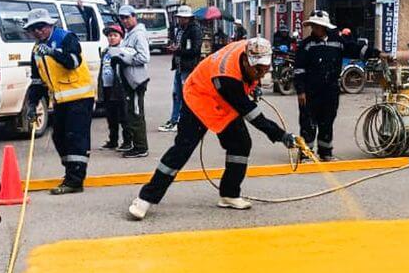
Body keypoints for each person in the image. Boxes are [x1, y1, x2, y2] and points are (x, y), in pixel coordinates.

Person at [128, 38, 298, 220]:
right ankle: (145, 198)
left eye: (264, 70)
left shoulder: (252, 46)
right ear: (245, 60)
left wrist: (252, 85)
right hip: (199, 97)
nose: (261, 74)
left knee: (240, 144)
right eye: (257, 70)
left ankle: (229, 194)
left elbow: (246, 85)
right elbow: (252, 115)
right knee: (183, 149)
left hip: (223, 100)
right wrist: (281, 135)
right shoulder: (227, 78)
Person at [25, 7, 95, 194]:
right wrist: (32, 104)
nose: (38, 31)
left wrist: (53, 52)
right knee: (59, 137)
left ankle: (75, 181)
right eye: (33, 29)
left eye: (41, 27)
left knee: (75, 138)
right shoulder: (36, 50)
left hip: (80, 97)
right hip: (60, 100)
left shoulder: (66, 38)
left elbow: (73, 62)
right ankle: (71, 173)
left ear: (50, 25)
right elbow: (37, 80)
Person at [295, 10, 376, 162]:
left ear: (325, 27)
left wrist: (377, 54)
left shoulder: (338, 42)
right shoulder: (306, 45)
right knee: (308, 122)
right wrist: (300, 91)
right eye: (313, 26)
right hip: (310, 91)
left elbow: (355, 49)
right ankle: (306, 154)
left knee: (327, 121)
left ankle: (326, 153)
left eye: (318, 26)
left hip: (331, 90)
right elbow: (299, 69)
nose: (315, 29)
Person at [160, 5, 202, 133]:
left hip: (188, 68)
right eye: (180, 18)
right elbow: (179, 45)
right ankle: (174, 119)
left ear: (189, 18)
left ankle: (183, 121)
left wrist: (178, 50)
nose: (181, 20)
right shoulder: (180, 30)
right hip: (179, 67)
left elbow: (195, 50)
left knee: (185, 96)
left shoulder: (194, 30)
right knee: (176, 95)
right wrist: (175, 48)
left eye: (183, 18)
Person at [116, 5, 151, 158]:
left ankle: (141, 147)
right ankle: (136, 145)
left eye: (126, 17)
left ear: (133, 16)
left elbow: (144, 57)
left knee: (136, 114)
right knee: (131, 113)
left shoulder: (138, 35)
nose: (124, 21)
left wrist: (125, 59)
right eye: (122, 18)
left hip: (137, 81)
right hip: (130, 81)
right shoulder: (129, 34)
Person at [99, 23, 131, 150]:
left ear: (121, 37)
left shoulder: (123, 51)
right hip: (107, 87)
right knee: (111, 116)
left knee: (123, 116)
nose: (112, 38)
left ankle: (127, 141)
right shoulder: (105, 52)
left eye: (115, 35)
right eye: (109, 35)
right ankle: (113, 140)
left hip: (119, 89)